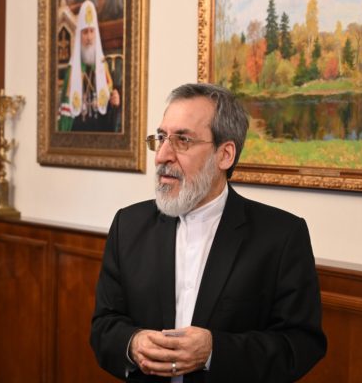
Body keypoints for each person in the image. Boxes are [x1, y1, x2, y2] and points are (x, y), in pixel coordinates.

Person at [90, 83, 326, 382]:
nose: (162, 155)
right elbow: (104, 326)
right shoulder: (128, 225)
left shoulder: (281, 236)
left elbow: (300, 345)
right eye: (161, 138)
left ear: (224, 155)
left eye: (182, 140)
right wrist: (132, 344)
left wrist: (215, 351)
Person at [58, 0, 121, 132]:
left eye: (92, 31)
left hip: (101, 133)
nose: (89, 37)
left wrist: (114, 103)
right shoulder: (71, 71)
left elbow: (108, 110)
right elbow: (65, 118)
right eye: (85, 32)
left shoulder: (103, 68)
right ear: (79, 36)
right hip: (78, 134)